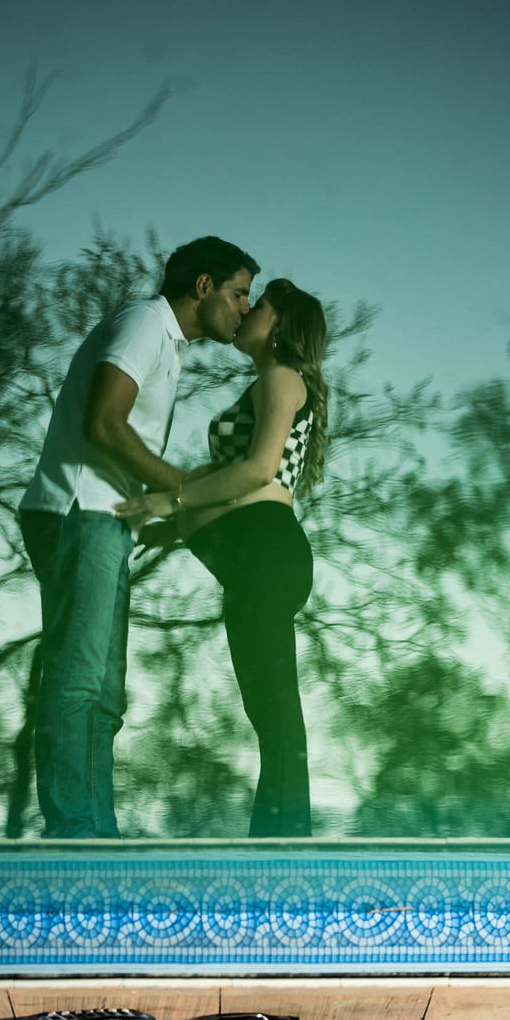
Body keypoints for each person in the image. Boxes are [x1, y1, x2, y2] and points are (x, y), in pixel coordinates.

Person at [19, 237, 259, 839]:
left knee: (103, 693)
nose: (243, 311)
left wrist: (158, 509)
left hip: (107, 521)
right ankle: (74, 831)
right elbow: (102, 422)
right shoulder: (145, 322)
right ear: (202, 288)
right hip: (81, 511)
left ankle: (96, 832)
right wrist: (179, 488)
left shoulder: (168, 344)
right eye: (237, 295)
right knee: (78, 681)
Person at [115, 278, 328, 837]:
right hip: (251, 559)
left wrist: (172, 500)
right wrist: (172, 525)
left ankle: (285, 850)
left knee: (278, 713)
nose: (246, 312)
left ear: (278, 324)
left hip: (266, 552)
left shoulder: (282, 378)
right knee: (269, 713)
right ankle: (278, 841)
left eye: (257, 306)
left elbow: (258, 471)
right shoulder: (268, 382)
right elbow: (225, 476)